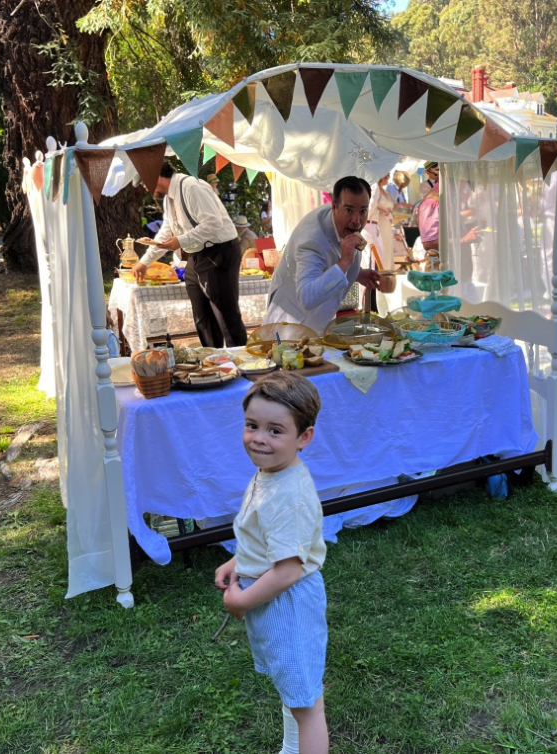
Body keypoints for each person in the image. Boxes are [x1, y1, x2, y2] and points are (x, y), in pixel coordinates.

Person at [215, 372, 328, 754]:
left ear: (304, 437)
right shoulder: (273, 473)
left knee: (306, 704)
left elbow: (287, 571)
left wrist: (241, 601)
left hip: (286, 602)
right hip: (273, 596)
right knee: (294, 687)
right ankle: (291, 748)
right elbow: (267, 541)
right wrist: (239, 561)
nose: (260, 438)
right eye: (252, 426)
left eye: (275, 430)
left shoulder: (288, 495)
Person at [133, 163, 247, 348]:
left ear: (157, 176)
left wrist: (181, 241)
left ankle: (244, 367)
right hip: (197, 254)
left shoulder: (191, 187)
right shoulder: (169, 198)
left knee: (226, 316)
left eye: (145, 182)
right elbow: (167, 231)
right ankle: (214, 363)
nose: (144, 187)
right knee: (202, 318)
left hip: (219, 251)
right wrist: (144, 262)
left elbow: (213, 223)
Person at [265, 176, 384, 333]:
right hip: (290, 323)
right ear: (334, 206)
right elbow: (307, 297)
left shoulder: (343, 225)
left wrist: (358, 273)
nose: (357, 220)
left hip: (320, 322)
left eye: (363, 211)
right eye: (349, 210)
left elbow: (327, 262)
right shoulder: (311, 241)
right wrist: (344, 264)